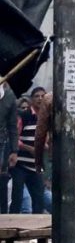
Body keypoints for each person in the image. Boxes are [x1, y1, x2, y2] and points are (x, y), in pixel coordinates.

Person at [11, 87, 46, 213]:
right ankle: (12, 224)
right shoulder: (24, 116)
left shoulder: (47, 119)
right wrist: (28, 148)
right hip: (20, 164)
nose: (40, 99)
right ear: (32, 100)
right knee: (17, 198)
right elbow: (15, 137)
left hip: (36, 166)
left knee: (39, 200)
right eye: (37, 96)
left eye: (43, 96)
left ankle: (37, 229)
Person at [0, 83, 18, 214]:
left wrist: (14, 150)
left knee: (2, 181)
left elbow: (12, 126)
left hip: (2, 144)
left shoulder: (9, 96)